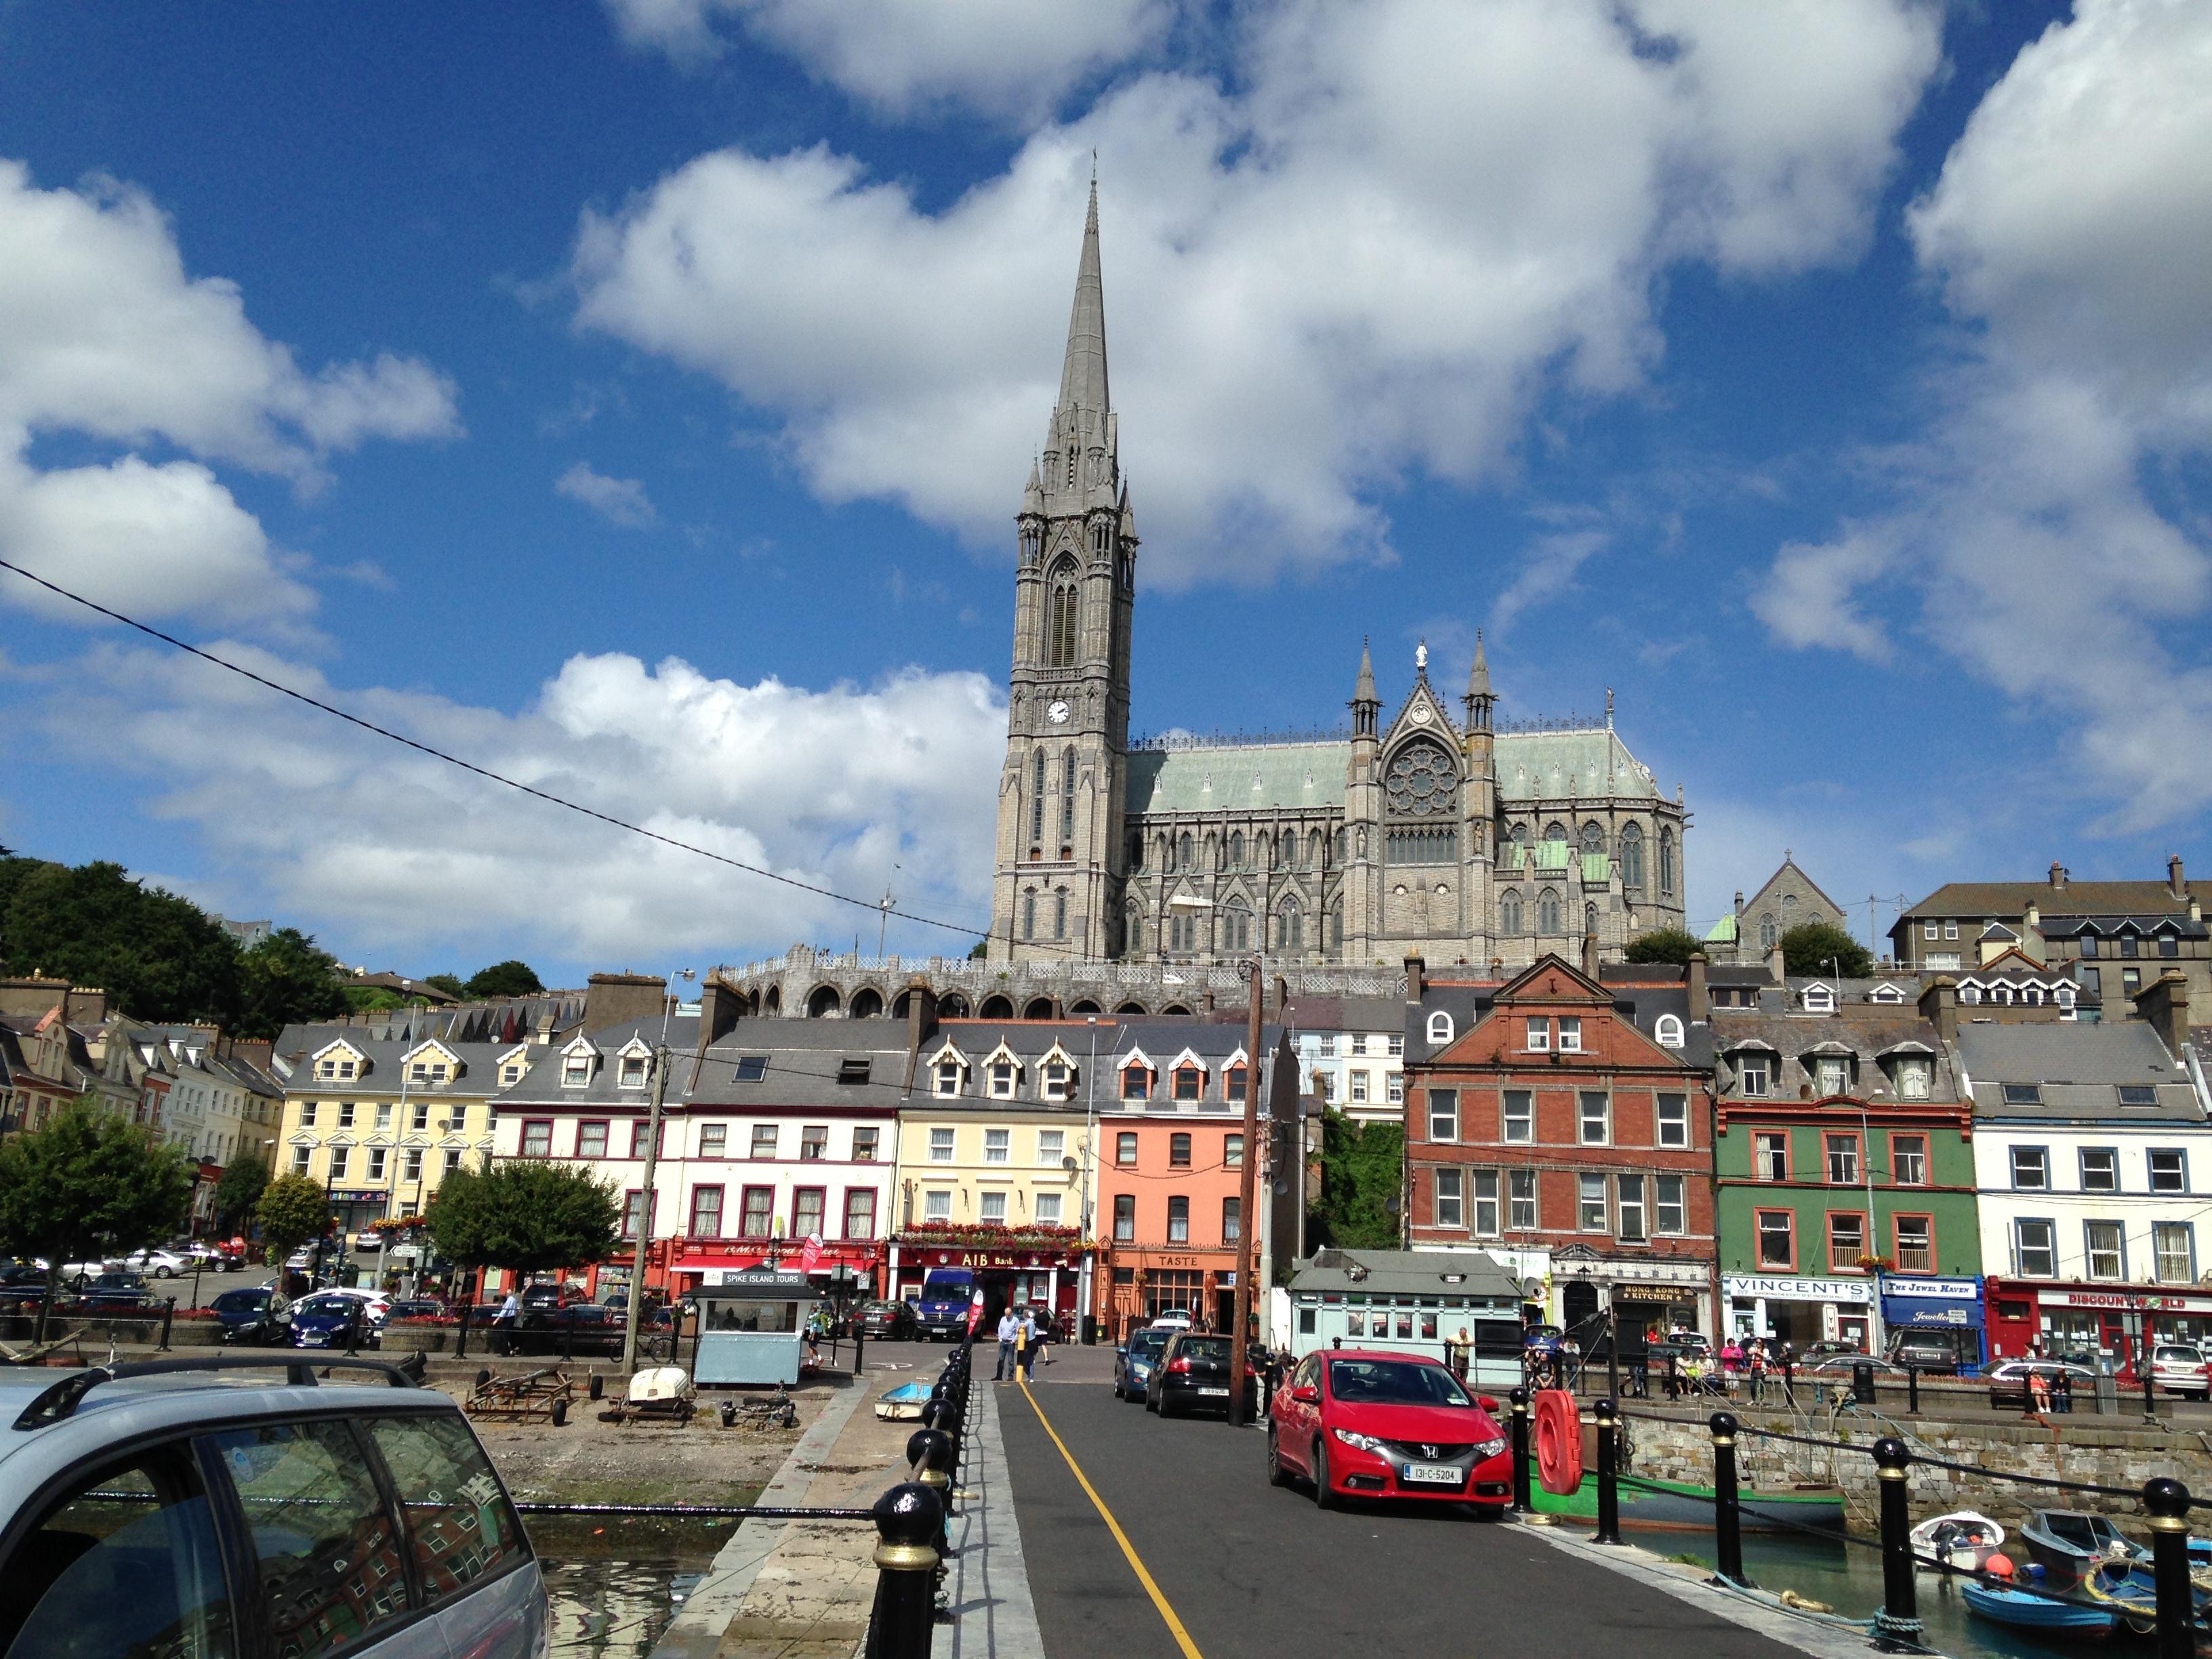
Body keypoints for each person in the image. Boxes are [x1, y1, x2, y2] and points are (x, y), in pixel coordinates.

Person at [994, 1306, 1021, 1382]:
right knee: (1001, 1359)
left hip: (1010, 1342)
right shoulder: (1003, 1319)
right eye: (1006, 1315)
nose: (1007, 1316)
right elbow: (1000, 1328)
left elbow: (1018, 1332)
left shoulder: (1015, 1320)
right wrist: (1000, 1338)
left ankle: (1010, 1376)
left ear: (1011, 1313)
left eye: (1009, 1315)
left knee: (1010, 1360)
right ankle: (999, 1376)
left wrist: (1013, 1340)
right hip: (1003, 1341)